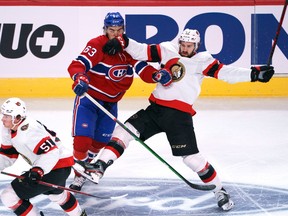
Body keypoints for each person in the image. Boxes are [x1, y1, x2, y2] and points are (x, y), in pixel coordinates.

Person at [90, 29, 275, 211]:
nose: (185, 49)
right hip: (155, 110)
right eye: (183, 45)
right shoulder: (167, 50)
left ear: (196, 45)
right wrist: (124, 41)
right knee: (124, 132)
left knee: (192, 160)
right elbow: (140, 50)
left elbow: (228, 73)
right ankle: (100, 166)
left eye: (189, 46)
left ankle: (220, 191)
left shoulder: (203, 61)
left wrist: (254, 74)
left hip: (179, 117)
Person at [67, 12, 173, 191]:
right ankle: (79, 175)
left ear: (124, 30)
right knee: (82, 141)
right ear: (105, 29)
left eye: (119, 30)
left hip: (110, 104)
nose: (115, 34)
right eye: (111, 30)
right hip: (90, 100)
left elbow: (142, 69)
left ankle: (86, 168)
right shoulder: (97, 44)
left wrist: (155, 75)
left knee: (99, 143)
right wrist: (80, 78)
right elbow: (77, 65)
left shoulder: (129, 47)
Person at [0, 97, 87, 216]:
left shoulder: (30, 131)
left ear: (18, 118)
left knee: (9, 196)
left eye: (7, 116)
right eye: (3, 115)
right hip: (57, 167)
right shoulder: (8, 129)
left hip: (55, 167)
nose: (3, 119)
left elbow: (52, 152)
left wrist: (38, 171)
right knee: (57, 195)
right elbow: (8, 154)